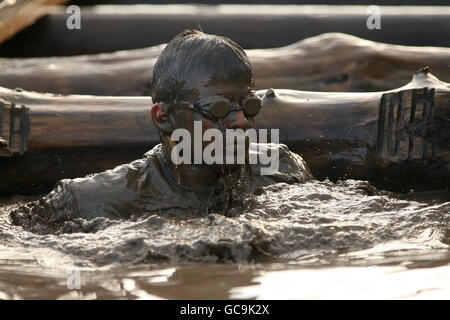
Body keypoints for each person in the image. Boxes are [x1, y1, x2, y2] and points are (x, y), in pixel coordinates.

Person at [10, 30, 312, 234]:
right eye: (218, 109)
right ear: (163, 117)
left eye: (248, 106)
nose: (241, 123)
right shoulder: (92, 200)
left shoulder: (281, 168)